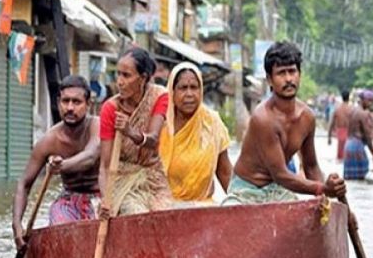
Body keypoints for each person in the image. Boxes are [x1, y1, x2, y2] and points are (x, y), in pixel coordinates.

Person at [228, 41, 345, 203]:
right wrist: (322, 188)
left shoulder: (307, 117)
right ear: (269, 79)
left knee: (317, 215)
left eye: (292, 71)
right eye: (281, 73)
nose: (289, 79)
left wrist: (326, 198)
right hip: (246, 190)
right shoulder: (263, 118)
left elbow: (311, 166)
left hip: (278, 190)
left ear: (300, 74)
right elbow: (281, 174)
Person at [12, 76, 100, 250]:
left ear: (88, 104)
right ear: (58, 102)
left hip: (102, 198)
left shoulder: (97, 126)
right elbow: (24, 183)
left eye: (76, 102)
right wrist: (16, 225)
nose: (70, 108)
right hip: (70, 200)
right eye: (65, 101)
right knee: (61, 237)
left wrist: (61, 166)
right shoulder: (49, 140)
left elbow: (90, 156)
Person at [99, 48, 173, 216]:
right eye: (118, 74)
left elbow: (153, 139)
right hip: (121, 180)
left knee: (167, 217)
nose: (119, 82)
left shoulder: (159, 96)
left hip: (153, 178)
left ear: (143, 78)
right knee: (135, 214)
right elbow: (105, 165)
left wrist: (130, 131)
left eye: (126, 75)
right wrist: (106, 200)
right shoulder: (110, 108)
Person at [158, 62, 232, 203]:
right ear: (172, 92)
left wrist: (240, 205)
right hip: (166, 209)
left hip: (203, 210)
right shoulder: (161, 124)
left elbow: (224, 172)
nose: (189, 94)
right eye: (183, 88)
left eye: (194, 88)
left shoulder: (212, 123)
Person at [343, 90, 373, 180]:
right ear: (362, 100)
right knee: (361, 178)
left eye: (372, 101)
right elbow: (368, 136)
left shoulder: (352, 111)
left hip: (348, 145)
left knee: (350, 178)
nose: (371, 103)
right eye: (369, 100)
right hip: (357, 146)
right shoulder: (364, 114)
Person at [328, 90, 352, 161]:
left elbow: (331, 123)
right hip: (350, 133)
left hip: (340, 132)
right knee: (348, 157)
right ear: (349, 97)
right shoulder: (352, 109)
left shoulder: (337, 109)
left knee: (340, 158)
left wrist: (329, 137)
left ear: (342, 97)